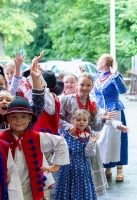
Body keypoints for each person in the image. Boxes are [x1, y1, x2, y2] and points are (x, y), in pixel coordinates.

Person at [59, 72, 125, 196]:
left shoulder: (93, 102)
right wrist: (69, 127)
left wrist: (103, 119)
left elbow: (95, 126)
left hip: (87, 143)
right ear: (77, 85)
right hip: (69, 142)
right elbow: (59, 118)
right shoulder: (67, 99)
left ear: (92, 86)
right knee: (68, 173)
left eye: (88, 85)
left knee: (87, 175)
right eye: (82, 84)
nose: (84, 88)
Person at [0, 97, 70, 200]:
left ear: (30, 119)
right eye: (14, 117)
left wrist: (56, 166)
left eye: (23, 116)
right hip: (9, 189)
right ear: (8, 119)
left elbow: (60, 142)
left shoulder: (38, 137)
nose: (19, 120)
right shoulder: (0, 139)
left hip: (30, 188)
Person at [93, 54, 128, 182]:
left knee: (117, 139)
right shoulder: (97, 76)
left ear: (104, 63)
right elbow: (86, 84)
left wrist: (115, 74)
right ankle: (107, 168)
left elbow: (123, 90)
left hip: (114, 110)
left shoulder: (114, 76)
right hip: (100, 112)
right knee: (101, 140)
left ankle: (120, 169)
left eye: (99, 60)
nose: (97, 62)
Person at [55, 109, 99, 200]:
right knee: (66, 188)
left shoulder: (88, 135)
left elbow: (89, 153)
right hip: (67, 168)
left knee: (82, 189)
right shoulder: (65, 134)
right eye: (78, 120)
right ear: (72, 121)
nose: (81, 122)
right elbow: (59, 151)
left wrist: (92, 143)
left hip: (82, 168)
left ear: (88, 121)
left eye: (84, 120)